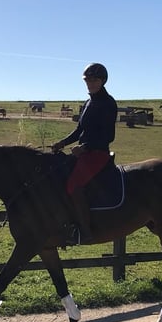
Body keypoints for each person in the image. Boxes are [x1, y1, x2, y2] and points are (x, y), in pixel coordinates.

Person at [51, 62, 118, 244]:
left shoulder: (108, 103)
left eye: (94, 79)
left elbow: (108, 135)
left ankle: (85, 231)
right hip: (83, 153)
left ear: (102, 81)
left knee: (73, 185)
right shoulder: (88, 103)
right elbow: (79, 130)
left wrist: (85, 147)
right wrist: (62, 143)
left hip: (97, 153)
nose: (89, 82)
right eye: (87, 79)